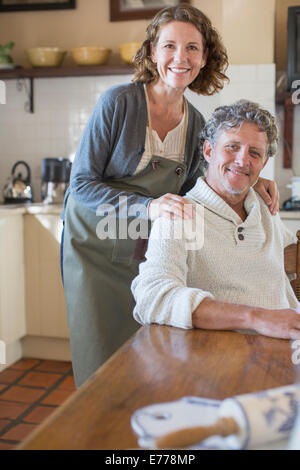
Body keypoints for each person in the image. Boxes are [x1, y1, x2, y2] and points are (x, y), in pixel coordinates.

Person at [62, 4, 279, 388]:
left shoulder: (196, 122)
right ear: (151, 52)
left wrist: (251, 180)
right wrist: (148, 205)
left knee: (146, 355)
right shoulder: (119, 104)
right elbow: (81, 184)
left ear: (205, 57)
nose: (181, 58)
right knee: (101, 361)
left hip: (144, 248)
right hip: (95, 245)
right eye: (169, 46)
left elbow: (198, 182)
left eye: (192, 48)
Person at [132, 100, 300, 340]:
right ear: (209, 151)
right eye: (232, 147)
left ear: (263, 163)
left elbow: (291, 248)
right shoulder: (178, 215)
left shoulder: (265, 205)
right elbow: (152, 296)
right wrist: (255, 318)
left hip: (286, 349)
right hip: (219, 355)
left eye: (255, 153)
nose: (243, 161)